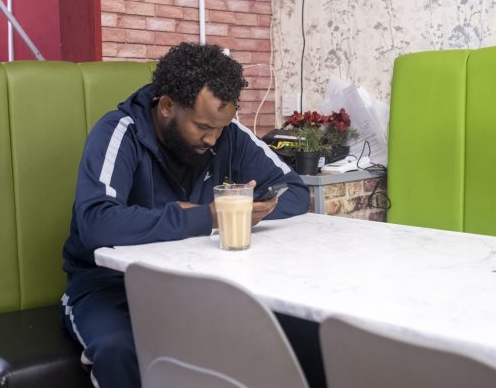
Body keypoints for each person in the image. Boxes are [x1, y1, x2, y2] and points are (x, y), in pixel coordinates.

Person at [61, 42, 310, 387]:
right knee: (121, 349)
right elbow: (96, 223)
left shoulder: (227, 136)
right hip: (110, 287)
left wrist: (251, 210)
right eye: (203, 126)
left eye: (221, 127)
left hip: (197, 282)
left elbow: (295, 191)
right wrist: (206, 217)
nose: (213, 139)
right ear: (166, 106)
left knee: (288, 333)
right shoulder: (120, 132)